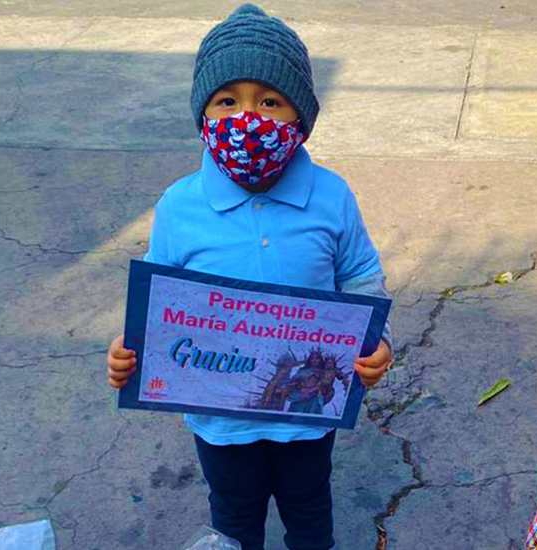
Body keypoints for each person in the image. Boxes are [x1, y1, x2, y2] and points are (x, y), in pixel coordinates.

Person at [102, 7, 393, 548]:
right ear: (204, 112)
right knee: (234, 518)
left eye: (270, 101)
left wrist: (378, 343)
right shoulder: (179, 205)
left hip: (308, 415)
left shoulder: (331, 196)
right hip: (220, 420)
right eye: (227, 100)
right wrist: (131, 349)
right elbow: (160, 302)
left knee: (310, 515)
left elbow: (359, 276)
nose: (248, 116)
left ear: (299, 114)